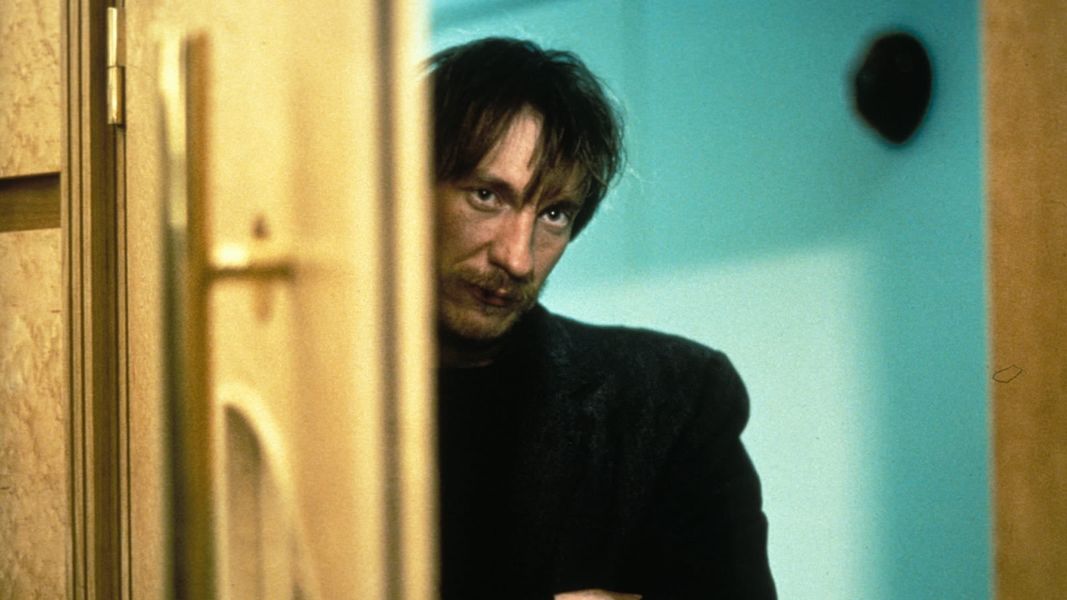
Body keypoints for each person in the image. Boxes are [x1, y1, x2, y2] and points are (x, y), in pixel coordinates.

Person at [431, 37, 776, 599]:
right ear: (402, 194)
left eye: (553, 213)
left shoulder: (674, 400)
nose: (517, 259)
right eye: (487, 196)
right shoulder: (312, 406)